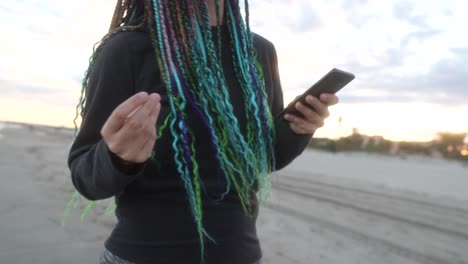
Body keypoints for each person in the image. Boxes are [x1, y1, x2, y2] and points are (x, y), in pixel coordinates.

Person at [68, 0, 339, 263]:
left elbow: (264, 159)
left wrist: (298, 129)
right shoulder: (127, 48)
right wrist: (118, 157)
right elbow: (86, 178)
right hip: (142, 254)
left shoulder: (259, 51)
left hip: (240, 254)